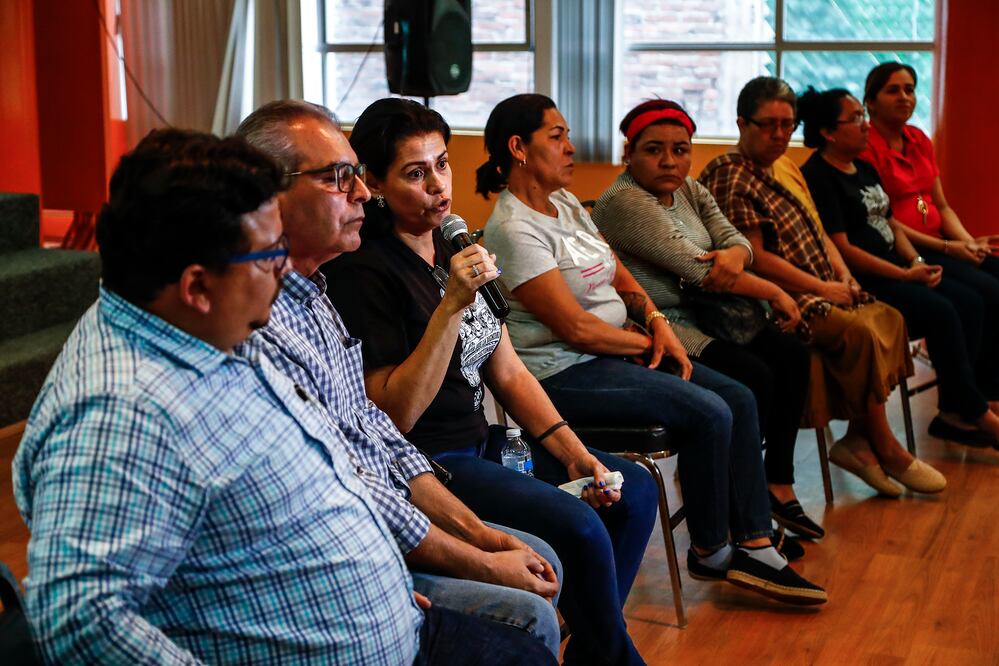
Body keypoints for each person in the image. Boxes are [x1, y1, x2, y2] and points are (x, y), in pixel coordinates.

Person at [11, 128, 555, 665]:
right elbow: (78, 618)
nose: (282, 273)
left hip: (385, 612)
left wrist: (374, 583)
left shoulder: (210, 330)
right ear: (197, 288)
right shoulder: (122, 410)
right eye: (269, 257)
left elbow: (342, 458)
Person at [323, 97, 657, 666]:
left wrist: (574, 454)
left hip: (490, 443)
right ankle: (614, 657)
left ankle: (592, 647)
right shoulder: (364, 272)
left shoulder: (456, 244)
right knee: (578, 526)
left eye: (443, 164)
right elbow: (392, 416)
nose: (437, 184)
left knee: (631, 488)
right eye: (414, 172)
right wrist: (450, 306)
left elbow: (506, 368)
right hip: (433, 459)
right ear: (373, 183)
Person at [233, 100, 563, 656]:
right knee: (529, 612)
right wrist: (468, 558)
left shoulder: (313, 294)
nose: (358, 192)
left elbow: (374, 435)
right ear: (266, 197)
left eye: (442, 164)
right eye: (341, 179)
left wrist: (485, 531)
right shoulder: (330, 284)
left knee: (544, 555)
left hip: (417, 485)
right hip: (376, 521)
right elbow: (371, 448)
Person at [477, 93, 828, 609]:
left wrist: (656, 320)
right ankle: (715, 550)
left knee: (739, 394)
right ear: (519, 148)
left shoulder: (566, 204)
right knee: (710, 409)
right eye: (557, 136)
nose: (571, 147)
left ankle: (752, 537)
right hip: (561, 375)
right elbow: (576, 329)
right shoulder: (512, 227)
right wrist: (648, 341)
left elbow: (617, 273)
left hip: (614, 352)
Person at [700, 76, 946, 497]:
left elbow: (820, 231)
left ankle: (859, 437)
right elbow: (755, 257)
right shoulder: (729, 174)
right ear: (742, 124)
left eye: (787, 125)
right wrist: (822, 286)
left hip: (824, 280)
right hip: (782, 296)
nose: (780, 135)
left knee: (890, 316)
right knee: (861, 333)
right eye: (768, 125)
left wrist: (844, 277)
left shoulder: (784, 166)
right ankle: (884, 445)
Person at [592, 99, 821, 540]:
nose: (669, 161)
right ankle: (738, 502)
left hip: (708, 314)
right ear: (628, 153)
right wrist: (774, 290)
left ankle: (774, 483)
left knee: (791, 356)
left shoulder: (691, 191)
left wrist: (736, 253)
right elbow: (701, 269)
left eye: (681, 149)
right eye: (654, 149)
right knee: (753, 376)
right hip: (665, 325)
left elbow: (735, 243)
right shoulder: (624, 202)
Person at [797, 87, 999, 447]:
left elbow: (890, 223)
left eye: (862, 115)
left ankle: (961, 407)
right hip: (868, 277)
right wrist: (906, 274)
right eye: (856, 118)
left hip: (899, 265)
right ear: (828, 132)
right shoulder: (818, 176)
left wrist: (916, 261)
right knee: (944, 310)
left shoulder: (863, 167)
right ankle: (971, 410)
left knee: (971, 299)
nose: (864, 125)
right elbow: (842, 247)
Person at [860, 62, 999, 425]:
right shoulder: (865, 147)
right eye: (893, 90)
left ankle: (985, 390)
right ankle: (958, 405)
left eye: (909, 89)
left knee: (995, 272)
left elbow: (940, 205)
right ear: (870, 102)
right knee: (981, 292)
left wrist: (970, 243)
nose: (904, 97)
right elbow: (888, 220)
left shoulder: (918, 138)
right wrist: (952, 249)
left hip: (941, 242)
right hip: (905, 251)